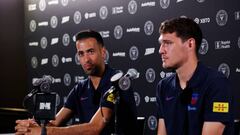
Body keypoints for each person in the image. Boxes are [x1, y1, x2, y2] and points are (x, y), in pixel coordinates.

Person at [15, 30, 138, 135]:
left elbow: (95, 128)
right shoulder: (80, 88)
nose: (86, 59)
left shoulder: (118, 83)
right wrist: (33, 125)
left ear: (103, 52)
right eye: (81, 54)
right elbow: (55, 122)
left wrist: (44, 132)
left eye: (91, 51)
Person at [156, 17, 234, 135]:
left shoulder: (217, 84)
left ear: (190, 44)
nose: (161, 50)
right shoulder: (163, 86)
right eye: (161, 44)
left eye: (167, 43)